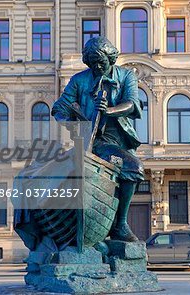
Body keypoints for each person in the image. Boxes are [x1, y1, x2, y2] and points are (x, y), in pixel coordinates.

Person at [51, 36, 144, 242]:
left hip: (119, 141)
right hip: (95, 143)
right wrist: (73, 123)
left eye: (101, 62)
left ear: (111, 59)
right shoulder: (79, 80)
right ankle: (110, 227)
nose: (97, 67)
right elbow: (59, 108)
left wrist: (109, 111)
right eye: (92, 64)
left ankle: (119, 224)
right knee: (132, 168)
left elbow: (132, 104)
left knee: (132, 169)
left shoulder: (127, 76)